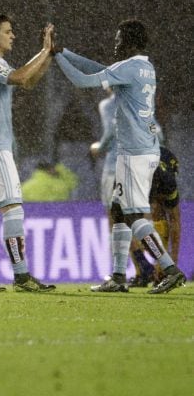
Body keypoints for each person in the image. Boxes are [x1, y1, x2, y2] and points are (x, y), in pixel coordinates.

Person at [54, 19, 186, 294]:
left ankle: (170, 269)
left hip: (134, 153)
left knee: (134, 215)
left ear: (130, 42)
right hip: (144, 148)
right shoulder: (144, 67)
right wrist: (63, 51)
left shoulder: (129, 67)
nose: (115, 44)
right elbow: (101, 70)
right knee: (118, 209)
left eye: (118, 40)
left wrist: (56, 58)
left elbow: (82, 80)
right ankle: (118, 276)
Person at [0, 13, 56, 293]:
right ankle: (22, 276)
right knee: (13, 210)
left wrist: (48, 54)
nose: (12, 35)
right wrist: (43, 50)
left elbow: (27, 81)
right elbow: (21, 76)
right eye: (8, 31)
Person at [127, 146, 180, 287]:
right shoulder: (135, 180)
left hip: (163, 165)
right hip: (134, 173)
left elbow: (175, 223)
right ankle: (146, 268)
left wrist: (173, 260)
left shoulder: (168, 183)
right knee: (129, 221)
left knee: (160, 217)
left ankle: (163, 267)